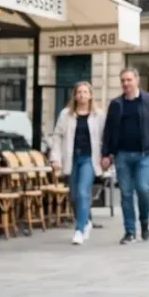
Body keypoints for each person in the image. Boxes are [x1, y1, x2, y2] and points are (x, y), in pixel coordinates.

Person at [100, 67, 149, 244]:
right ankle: (130, 231)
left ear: (137, 80)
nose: (126, 83)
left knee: (143, 189)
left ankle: (144, 222)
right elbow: (108, 131)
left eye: (129, 80)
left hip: (144, 154)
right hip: (122, 155)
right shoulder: (116, 104)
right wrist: (106, 154)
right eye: (123, 80)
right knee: (126, 193)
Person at [48, 81, 104, 245]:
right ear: (75, 95)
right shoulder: (66, 114)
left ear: (91, 95)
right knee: (73, 196)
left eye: (85, 92)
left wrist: (106, 157)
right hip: (71, 158)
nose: (82, 95)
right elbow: (57, 137)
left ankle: (79, 230)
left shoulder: (98, 115)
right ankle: (86, 221)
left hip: (89, 158)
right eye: (79, 92)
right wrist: (55, 158)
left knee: (82, 192)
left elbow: (104, 137)